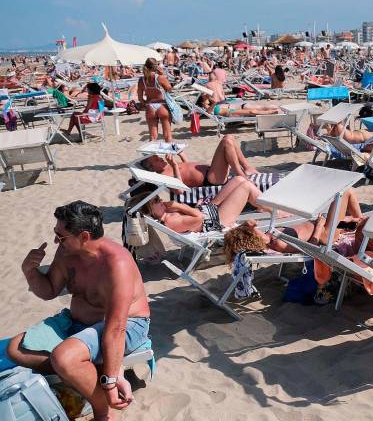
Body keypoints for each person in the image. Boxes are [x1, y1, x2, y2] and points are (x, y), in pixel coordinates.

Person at [7, 201, 150, 421]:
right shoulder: (66, 253)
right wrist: (30, 272)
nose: (56, 240)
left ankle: (103, 410)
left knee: (64, 358)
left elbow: (116, 328)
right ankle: (88, 371)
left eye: (61, 236)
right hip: (77, 323)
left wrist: (110, 383)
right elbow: (49, 290)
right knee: (16, 349)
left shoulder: (116, 264)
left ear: (83, 236)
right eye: (56, 233)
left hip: (127, 325)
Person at [223, 188, 363, 257]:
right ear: (250, 236)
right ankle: (361, 222)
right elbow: (311, 248)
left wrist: (245, 227)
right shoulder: (278, 242)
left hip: (324, 227)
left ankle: (359, 223)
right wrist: (319, 225)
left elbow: (249, 223)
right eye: (249, 228)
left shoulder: (271, 235)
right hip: (325, 236)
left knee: (351, 222)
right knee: (346, 192)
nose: (251, 225)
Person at [137, 176, 272, 234]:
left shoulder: (168, 212)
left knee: (239, 180)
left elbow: (197, 213)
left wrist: (192, 206)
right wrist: (178, 206)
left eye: (159, 198)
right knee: (246, 187)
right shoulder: (171, 220)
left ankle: (263, 205)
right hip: (217, 221)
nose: (161, 201)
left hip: (209, 210)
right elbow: (199, 218)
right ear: (151, 211)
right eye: (156, 201)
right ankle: (275, 210)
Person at [140, 136, 259, 187]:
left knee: (229, 138)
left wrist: (181, 154)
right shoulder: (164, 175)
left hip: (212, 171)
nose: (159, 157)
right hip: (211, 179)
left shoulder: (167, 165)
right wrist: (175, 165)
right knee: (226, 141)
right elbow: (179, 189)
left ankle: (246, 167)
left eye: (157, 156)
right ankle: (241, 175)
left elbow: (188, 168)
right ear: (152, 168)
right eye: (155, 159)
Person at [137, 58, 173, 142]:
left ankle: (154, 155)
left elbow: (140, 98)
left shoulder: (141, 80)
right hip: (162, 105)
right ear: (156, 66)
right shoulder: (160, 78)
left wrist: (146, 103)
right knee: (167, 135)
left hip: (150, 107)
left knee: (153, 137)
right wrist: (163, 75)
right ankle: (169, 155)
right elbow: (169, 89)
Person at [197, 93, 279, 117]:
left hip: (233, 109)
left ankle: (276, 109)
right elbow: (213, 105)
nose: (206, 96)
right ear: (202, 102)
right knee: (252, 111)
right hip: (231, 112)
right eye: (204, 97)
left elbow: (214, 101)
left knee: (258, 109)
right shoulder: (207, 110)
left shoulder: (211, 106)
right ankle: (272, 112)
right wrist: (207, 97)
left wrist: (208, 96)